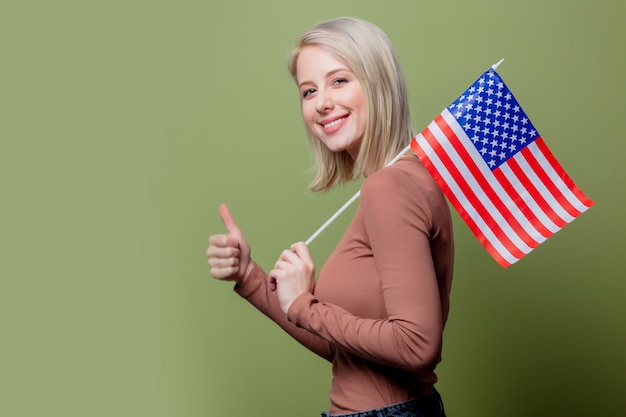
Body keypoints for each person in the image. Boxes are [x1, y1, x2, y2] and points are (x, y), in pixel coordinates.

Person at [206, 17, 453, 417]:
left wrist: (305, 304)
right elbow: (347, 354)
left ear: (378, 83)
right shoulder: (401, 181)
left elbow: (417, 346)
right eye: (308, 90)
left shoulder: (389, 188)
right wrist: (250, 276)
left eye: (339, 81)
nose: (321, 102)